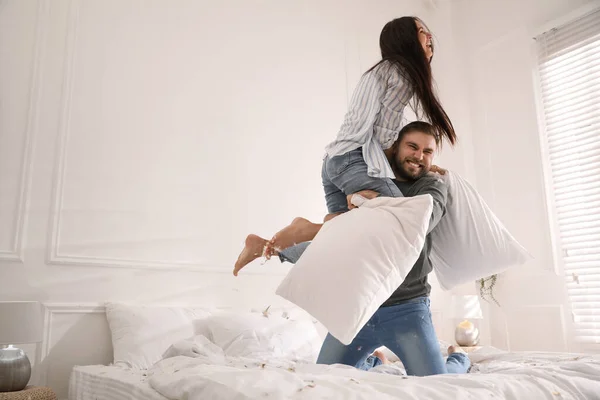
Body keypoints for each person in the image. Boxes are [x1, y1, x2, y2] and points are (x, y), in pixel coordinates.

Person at [236, 121, 471, 376]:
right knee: (323, 379)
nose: (419, 156)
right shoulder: (370, 179)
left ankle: (458, 358)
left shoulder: (431, 186)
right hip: (359, 306)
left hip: (408, 309)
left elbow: (422, 221)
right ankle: (376, 362)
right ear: (395, 148)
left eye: (427, 152)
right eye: (412, 147)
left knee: (437, 385)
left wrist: (369, 204)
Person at [233, 16, 456, 276]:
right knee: (402, 223)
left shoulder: (381, 71)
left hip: (335, 161)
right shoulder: (401, 74)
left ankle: (267, 248)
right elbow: (384, 136)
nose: (429, 37)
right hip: (354, 161)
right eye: (421, 31)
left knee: (343, 243)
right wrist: (370, 183)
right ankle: (306, 229)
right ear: (404, 39)